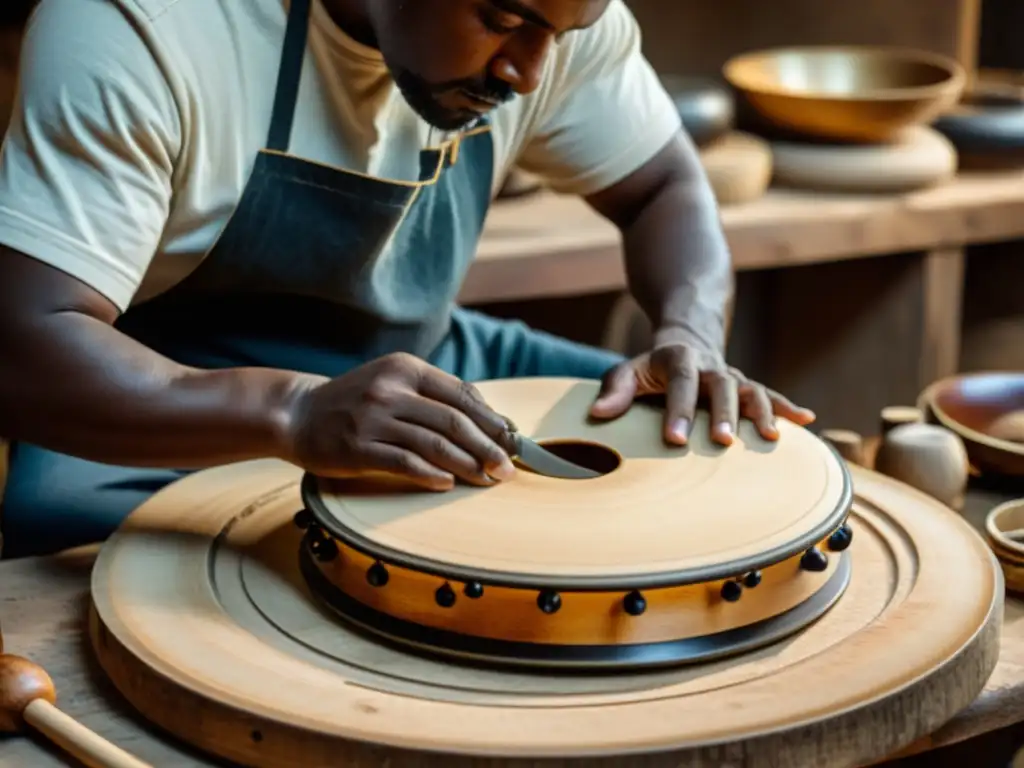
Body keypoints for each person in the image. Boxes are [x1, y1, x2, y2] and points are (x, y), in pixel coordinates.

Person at [0, 0, 814, 558]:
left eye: (563, 34)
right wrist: (293, 411)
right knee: (79, 536)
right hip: (172, 388)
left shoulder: (553, 22)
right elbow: (24, 346)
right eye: (501, 18)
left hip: (429, 359)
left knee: (698, 458)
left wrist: (690, 333)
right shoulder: (148, 28)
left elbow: (665, 187)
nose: (531, 71)